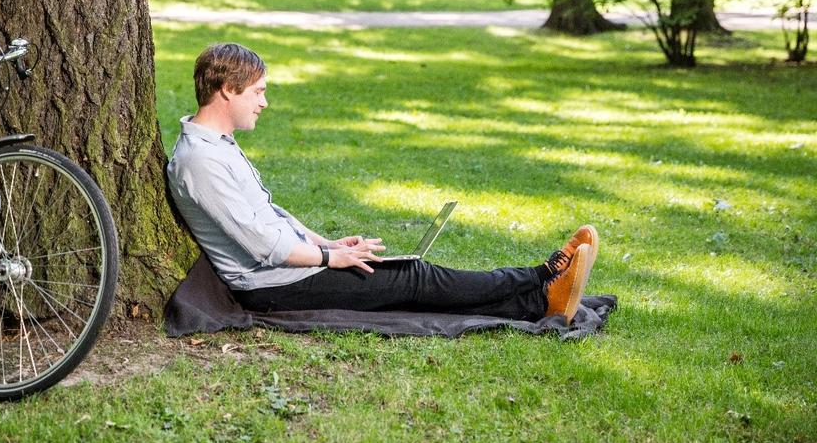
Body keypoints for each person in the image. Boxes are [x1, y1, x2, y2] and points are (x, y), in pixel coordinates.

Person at [167, 43, 600, 325]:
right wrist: (327, 258)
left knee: (409, 281)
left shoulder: (218, 145)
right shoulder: (199, 161)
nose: (265, 101)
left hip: (293, 266)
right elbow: (263, 244)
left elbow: (272, 215)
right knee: (413, 278)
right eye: (257, 92)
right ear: (227, 89)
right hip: (274, 285)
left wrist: (329, 245)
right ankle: (539, 277)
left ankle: (538, 299)